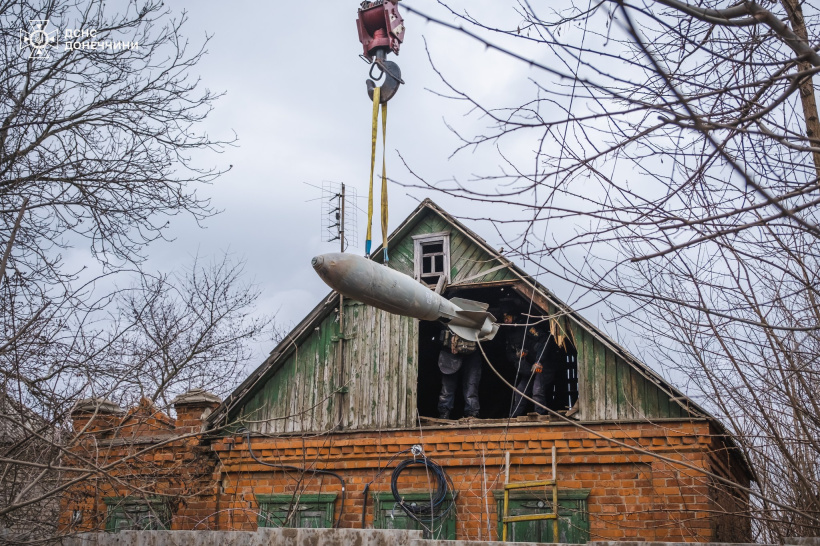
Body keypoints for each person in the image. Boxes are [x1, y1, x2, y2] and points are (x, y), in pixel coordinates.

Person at [503, 308, 553, 417]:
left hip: (541, 365)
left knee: (537, 391)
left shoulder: (526, 326)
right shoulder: (509, 334)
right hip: (528, 368)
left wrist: (539, 361)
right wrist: (517, 355)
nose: (505, 320)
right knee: (520, 391)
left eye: (508, 317)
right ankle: (514, 417)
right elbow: (508, 354)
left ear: (514, 316)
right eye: (504, 318)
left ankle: (540, 416)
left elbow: (545, 339)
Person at [436, 329, 482, 419]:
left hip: (471, 352)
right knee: (447, 387)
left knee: (471, 385)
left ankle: (472, 414)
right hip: (449, 351)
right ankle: (444, 414)